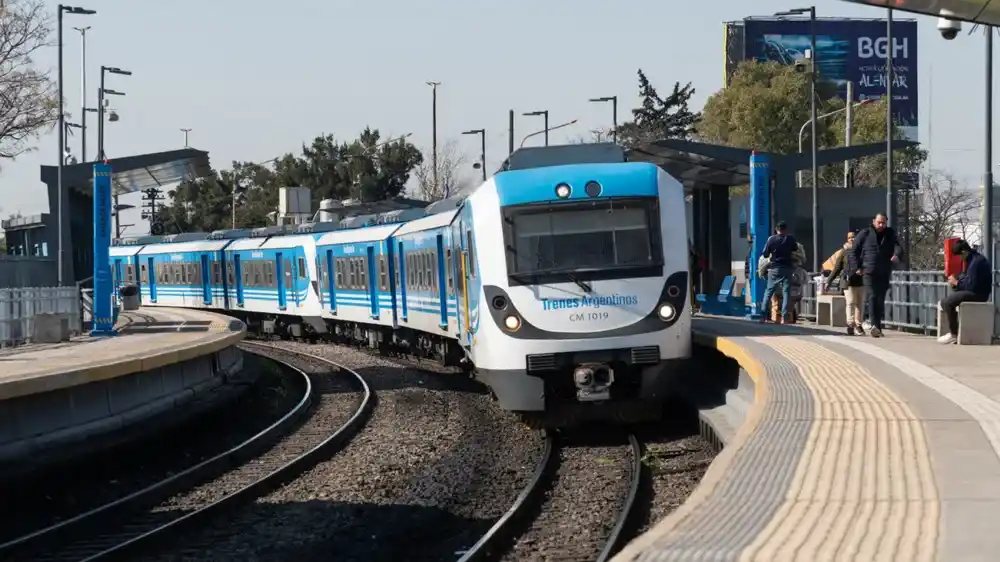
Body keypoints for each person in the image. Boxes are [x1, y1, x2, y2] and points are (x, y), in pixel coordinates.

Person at [850, 213, 902, 338]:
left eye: (883, 222)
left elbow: (898, 246)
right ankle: (874, 325)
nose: (881, 225)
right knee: (872, 296)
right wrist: (857, 267)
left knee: (880, 298)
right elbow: (854, 251)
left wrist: (897, 254)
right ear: (874, 221)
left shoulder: (890, 233)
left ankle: (877, 326)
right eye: (879, 222)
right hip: (868, 270)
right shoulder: (865, 233)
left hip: (884, 270)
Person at [937, 239, 992, 344]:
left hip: (978, 294)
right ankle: (953, 331)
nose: (959, 258)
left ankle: (953, 334)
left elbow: (971, 285)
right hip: (974, 291)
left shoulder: (977, 262)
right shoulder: (971, 260)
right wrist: (955, 280)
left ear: (964, 252)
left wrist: (957, 283)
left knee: (948, 302)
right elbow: (965, 278)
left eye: (959, 256)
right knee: (944, 302)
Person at [759, 221, 798, 323]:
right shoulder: (790, 239)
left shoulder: (771, 239)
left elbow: (765, 254)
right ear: (786, 229)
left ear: (777, 229)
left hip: (775, 269)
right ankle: (784, 318)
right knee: (786, 293)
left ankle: (763, 317)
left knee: (768, 292)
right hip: (787, 269)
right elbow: (795, 248)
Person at [829, 231, 865, 335]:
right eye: (850, 238)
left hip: (860, 281)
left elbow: (867, 262)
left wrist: (863, 269)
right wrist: (829, 281)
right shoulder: (843, 252)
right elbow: (837, 267)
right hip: (848, 281)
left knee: (860, 304)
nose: (852, 239)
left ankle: (858, 324)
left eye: (854, 237)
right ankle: (850, 324)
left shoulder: (862, 251)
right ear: (847, 239)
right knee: (850, 302)